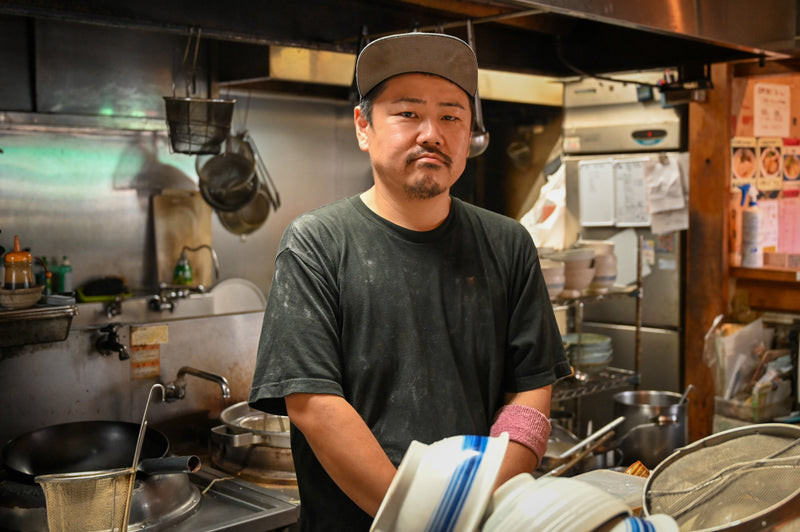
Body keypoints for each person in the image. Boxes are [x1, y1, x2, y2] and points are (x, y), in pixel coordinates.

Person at [249, 31, 571, 531]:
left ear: (467, 135)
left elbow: (529, 391)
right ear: (364, 126)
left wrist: (479, 502)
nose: (432, 133)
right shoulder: (317, 243)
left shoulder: (508, 244)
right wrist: (418, 520)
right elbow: (313, 405)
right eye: (407, 113)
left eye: (451, 116)